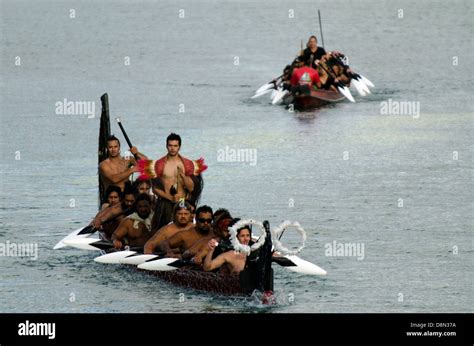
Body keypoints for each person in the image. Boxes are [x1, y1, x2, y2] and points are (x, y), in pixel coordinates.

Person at [136, 133, 206, 231]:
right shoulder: (160, 164)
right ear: (166, 146)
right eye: (170, 145)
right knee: (165, 231)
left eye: (175, 146)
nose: (172, 148)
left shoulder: (187, 164)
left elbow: (191, 188)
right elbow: (155, 189)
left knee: (185, 232)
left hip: (183, 203)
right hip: (166, 203)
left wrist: (183, 176)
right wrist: (169, 197)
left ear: (179, 147)